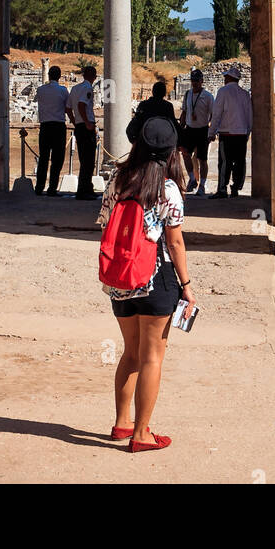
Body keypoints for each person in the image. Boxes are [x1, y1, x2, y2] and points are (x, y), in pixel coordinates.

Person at [98, 117, 195, 453]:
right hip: (156, 279)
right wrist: (187, 284)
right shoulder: (168, 189)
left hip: (121, 281)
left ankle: (122, 422)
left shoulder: (117, 180)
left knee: (131, 353)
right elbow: (176, 243)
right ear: (172, 151)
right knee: (153, 357)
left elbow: (104, 224)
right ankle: (142, 434)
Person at [208, 66, 252, 198]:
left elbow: (217, 114)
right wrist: (248, 131)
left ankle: (222, 188)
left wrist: (211, 132)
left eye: (225, 76)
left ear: (229, 78)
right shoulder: (245, 94)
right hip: (241, 133)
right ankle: (236, 187)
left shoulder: (223, 92)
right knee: (240, 161)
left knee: (224, 162)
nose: (224, 79)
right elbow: (250, 115)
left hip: (226, 132)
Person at [34, 66, 71, 196]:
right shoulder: (63, 90)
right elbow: (67, 107)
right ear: (59, 76)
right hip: (58, 126)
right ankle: (52, 188)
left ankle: (39, 187)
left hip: (45, 126)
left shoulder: (40, 90)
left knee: (43, 157)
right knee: (57, 159)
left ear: (48, 75)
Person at [178, 68, 214, 195]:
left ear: (202, 81)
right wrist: (180, 128)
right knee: (185, 154)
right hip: (189, 129)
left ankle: (202, 185)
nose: (194, 83)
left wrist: (212, 131)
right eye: (193, 81)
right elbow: (184, 111)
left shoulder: (208, 96)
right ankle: (192, 179)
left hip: (203, 130)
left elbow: (213, 115)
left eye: (197, 81)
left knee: (202, 159)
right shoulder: (187, 94)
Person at [67, 65, 99, 200]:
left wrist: (75, 122)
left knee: (83, 159)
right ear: (93, 76)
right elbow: (81, 105)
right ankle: (83, 190)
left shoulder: (74, 88)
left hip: (79, 126)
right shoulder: (87, 88)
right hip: (86, 127)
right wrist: (87, 122)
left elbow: (68, 108)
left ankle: (87, 188)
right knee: (89, 160)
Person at [126, 80, 178, 144]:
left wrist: (135, 143)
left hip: (145, 144)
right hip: (163, 145)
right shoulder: (168, 106)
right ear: (164, 93)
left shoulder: (143, 105)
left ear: (152, 92)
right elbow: (174, 126)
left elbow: (131, 128)